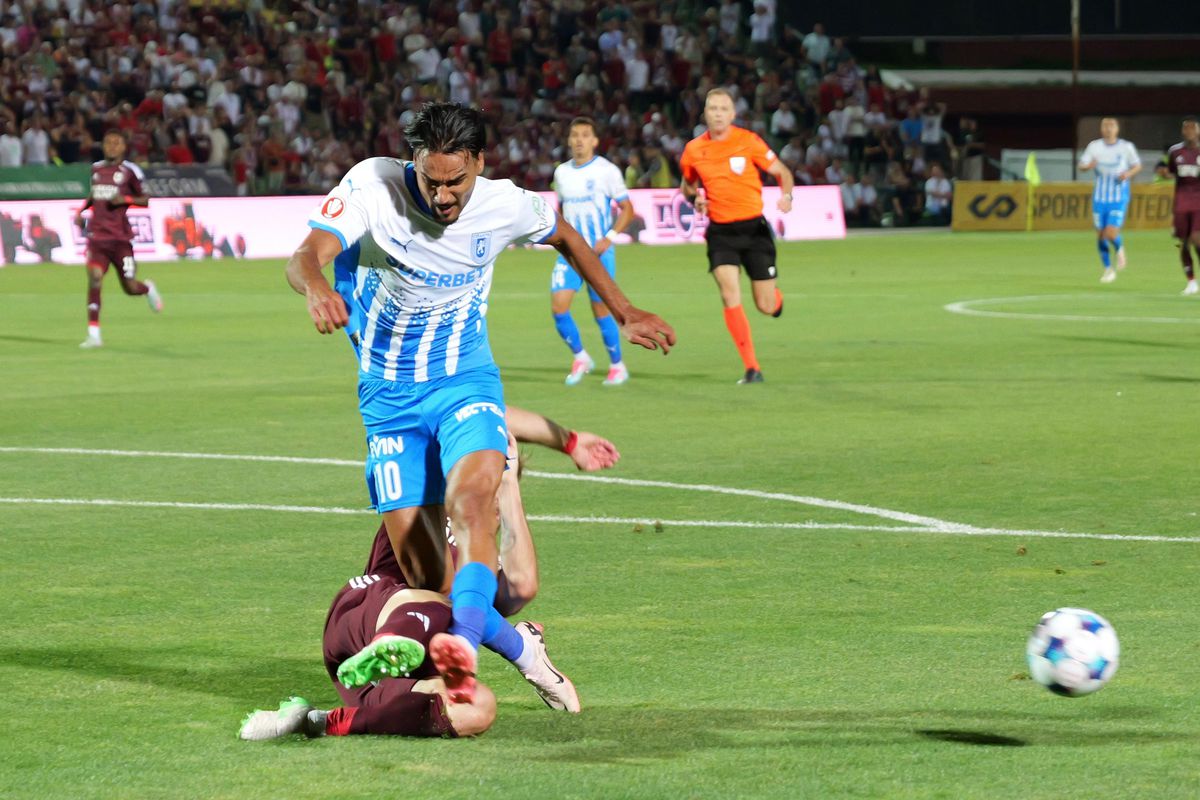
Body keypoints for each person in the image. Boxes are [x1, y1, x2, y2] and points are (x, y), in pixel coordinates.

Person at [284, 102, 674, 705]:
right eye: (431, 179)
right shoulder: (371, 184)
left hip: (465, 380)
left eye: (455, 182)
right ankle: (521, 649)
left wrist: (624, 310)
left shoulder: (505, 202)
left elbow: (565, 235)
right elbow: (306, 255)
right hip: (389, 401)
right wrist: (315, 287)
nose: (442, 196)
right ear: (412, 162)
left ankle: (459, 659)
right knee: (430, 580)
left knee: (472, 504)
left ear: (479, 165)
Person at [239, 432, 579, 741]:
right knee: (449, 598)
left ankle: (317, 721)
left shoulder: (483, 552)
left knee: (479, 708)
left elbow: (522, 584)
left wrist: (510, 489)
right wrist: (522, 654)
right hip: (368, 611)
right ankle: (394, 642)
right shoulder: (426, 497)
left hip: (384, 679)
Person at [679, 88, 793, 384]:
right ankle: (752, 368)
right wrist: (695, 200)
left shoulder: (748, 141)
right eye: (712, 108)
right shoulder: (693, 150)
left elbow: (781, 171)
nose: (717, 113)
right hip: (721, 232)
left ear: (732, 114)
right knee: (729, 293)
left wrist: (787, 195)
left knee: (766, 306)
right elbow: (687, 185)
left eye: (723, 108)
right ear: (704, 113)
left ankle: (776, 299)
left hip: (754, 230)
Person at [551, 117, 635, 387]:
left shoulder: (606, 171)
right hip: (569, 253)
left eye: (585, 135)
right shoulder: (561, 173)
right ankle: (581, 357)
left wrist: (609, 237)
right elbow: (561, 211)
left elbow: (628, 209)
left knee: (601, 311)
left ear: (595, 141)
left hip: (598, 254)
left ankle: (617, 365)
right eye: (574, 135)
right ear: (568, 140)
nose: (579, 140)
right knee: (558, 307)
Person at [74, 130, 163, 349]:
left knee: (130, 287)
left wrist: (126, 198)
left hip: (121, 240)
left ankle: (148, 289)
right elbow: (94, 195)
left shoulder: (130, 171)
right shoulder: (96, 169)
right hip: (97, 238)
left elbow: (145, 200)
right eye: (108, 142)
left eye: (117, 143)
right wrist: (81, 211)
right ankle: (94, 335)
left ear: (124, 147)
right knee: (95, 278)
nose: (112, 146)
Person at [1078, 117, 1142, 284]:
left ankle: (1120, 249)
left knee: (1111, 232)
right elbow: (1082, 165)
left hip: (1118, 196)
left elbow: (1137, 165)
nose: (1108, 128)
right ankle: (1108, 269)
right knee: (1100, 235)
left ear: (1117, 129)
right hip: (1099, 197)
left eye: (1111, 125)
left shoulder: (1126, 147)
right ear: (1101, 129)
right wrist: (1087, 166)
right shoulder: (1094, 146)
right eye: (1105, 126)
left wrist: (1127, 174)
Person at [1165, 117, 1200, 295]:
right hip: (1181, 201)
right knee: (1183, 243)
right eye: (1186, 129)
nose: (1189, 132)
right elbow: (1170, 172)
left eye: (1193, 129)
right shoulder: (1175, 151)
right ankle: (1191, 281)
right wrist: (1164, 174)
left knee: (1197, 239)